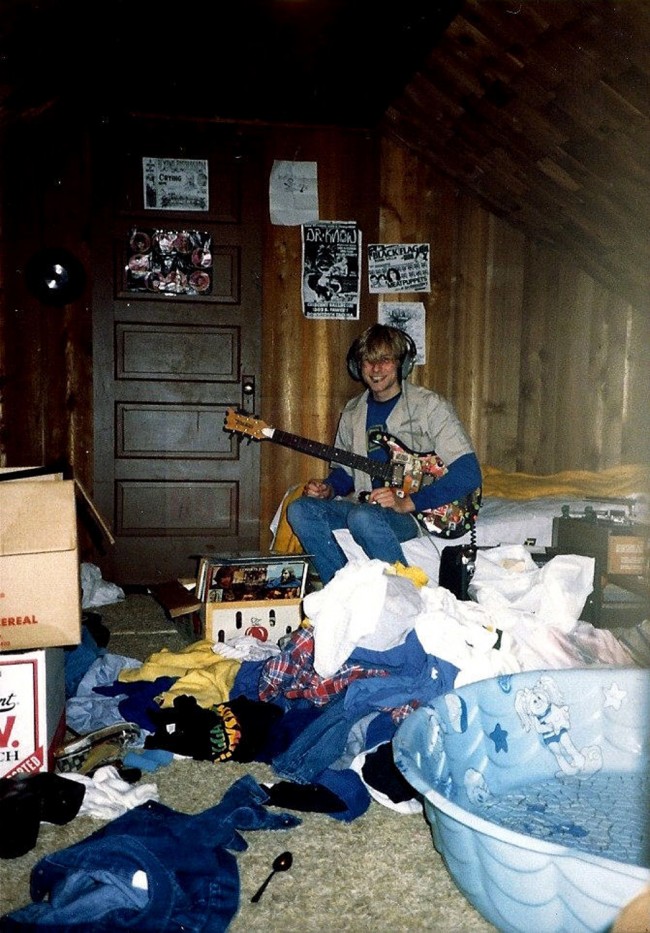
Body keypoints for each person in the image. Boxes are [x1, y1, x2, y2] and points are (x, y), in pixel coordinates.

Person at [286, 324, 482, 585]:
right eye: (368, 360)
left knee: (362, 517)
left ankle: (406, 591)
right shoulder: (353, 412)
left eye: (385, 360)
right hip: (367, 505)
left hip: (415, 513)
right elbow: (346, 472)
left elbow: (469, 473)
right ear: (358, 367)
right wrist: (329, 489)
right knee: (300, 510)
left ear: (402, 364)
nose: (376, 369)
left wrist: (408, 502)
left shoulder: (430, 407)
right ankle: (341, 587)